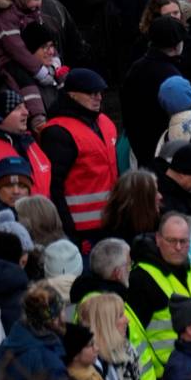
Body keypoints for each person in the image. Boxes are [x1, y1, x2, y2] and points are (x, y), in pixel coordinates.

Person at [41, 68, 118, 252]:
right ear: (72, 95)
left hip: (112, 221)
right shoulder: (58, 132)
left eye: (100, 93)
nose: (98, 97)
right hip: (83, 230)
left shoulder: (104, 122)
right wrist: (70, 233)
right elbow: (54, 188)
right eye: (92, 93)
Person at [127, 211, 191, 375]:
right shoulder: (141, 278)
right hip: (165, 375)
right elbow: (134, 337)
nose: (178, 247)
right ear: (158, 239)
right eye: (171, 241)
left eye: (183, 241)